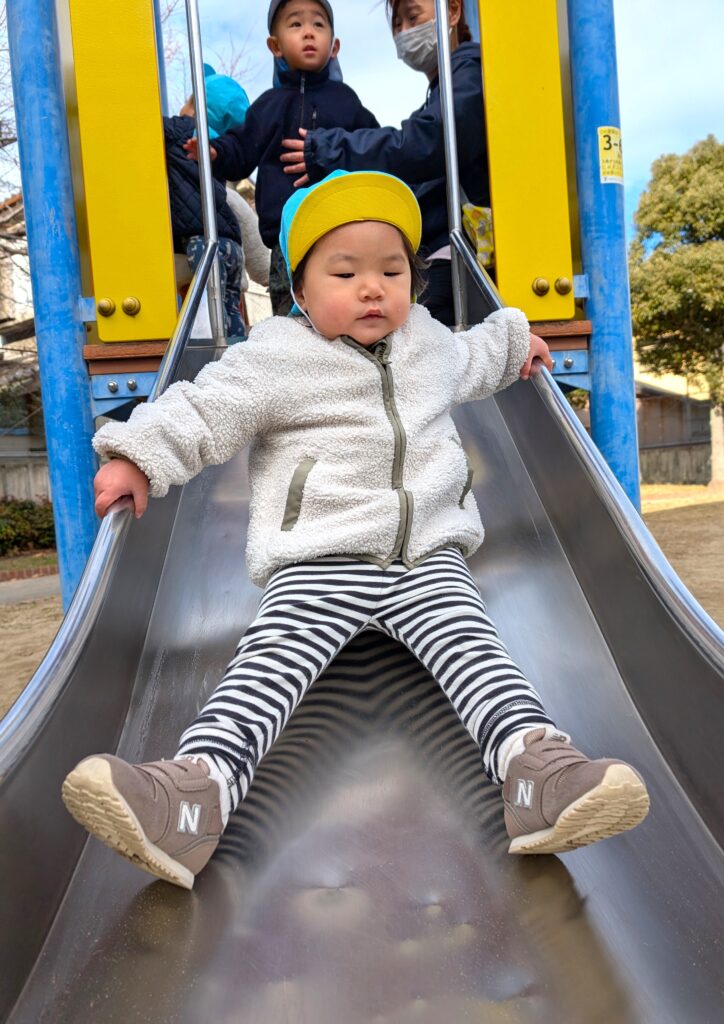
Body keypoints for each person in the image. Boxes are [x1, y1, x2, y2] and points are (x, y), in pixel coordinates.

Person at [61, 170, 650, 890]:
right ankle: (193, 794)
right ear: (300, 293)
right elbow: (204, 409)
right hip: (319, 560)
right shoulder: (276, 357)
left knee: (479, 656)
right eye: (344, 272)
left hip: (427, 558)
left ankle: (538, 773)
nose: (372, 288)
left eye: (391, 271)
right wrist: (138, 456)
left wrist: (513, 339)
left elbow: (474, 356)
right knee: (265, 668)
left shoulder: (427, 344)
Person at [281, 0, 487, 327]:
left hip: (459, 255)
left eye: (413, 17)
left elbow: (426, 143)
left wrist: (330, 150)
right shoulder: (445, 87)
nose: (405, 32)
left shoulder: (470, 75)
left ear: (452, 11)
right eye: (397, 26)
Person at [185, 0, 379, 316]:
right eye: (295, 24)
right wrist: (217, 152)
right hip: (285, 243)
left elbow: (371, 148)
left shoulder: (347, 103)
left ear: (334, 46)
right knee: (290, 317)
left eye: (318, 25)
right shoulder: (268, 105)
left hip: (341, 231)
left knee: (342, 313)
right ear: (275, 46)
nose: (308, 33)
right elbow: (242, 146)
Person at [165, 66, 252, 338]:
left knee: (207, 311)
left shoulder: (182, 130)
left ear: (192, 105)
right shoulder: (221, 152)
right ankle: (238, 354)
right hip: (233, 245)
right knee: (231, 313)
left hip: (203, 241)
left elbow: (143, 124)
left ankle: (208, 366)